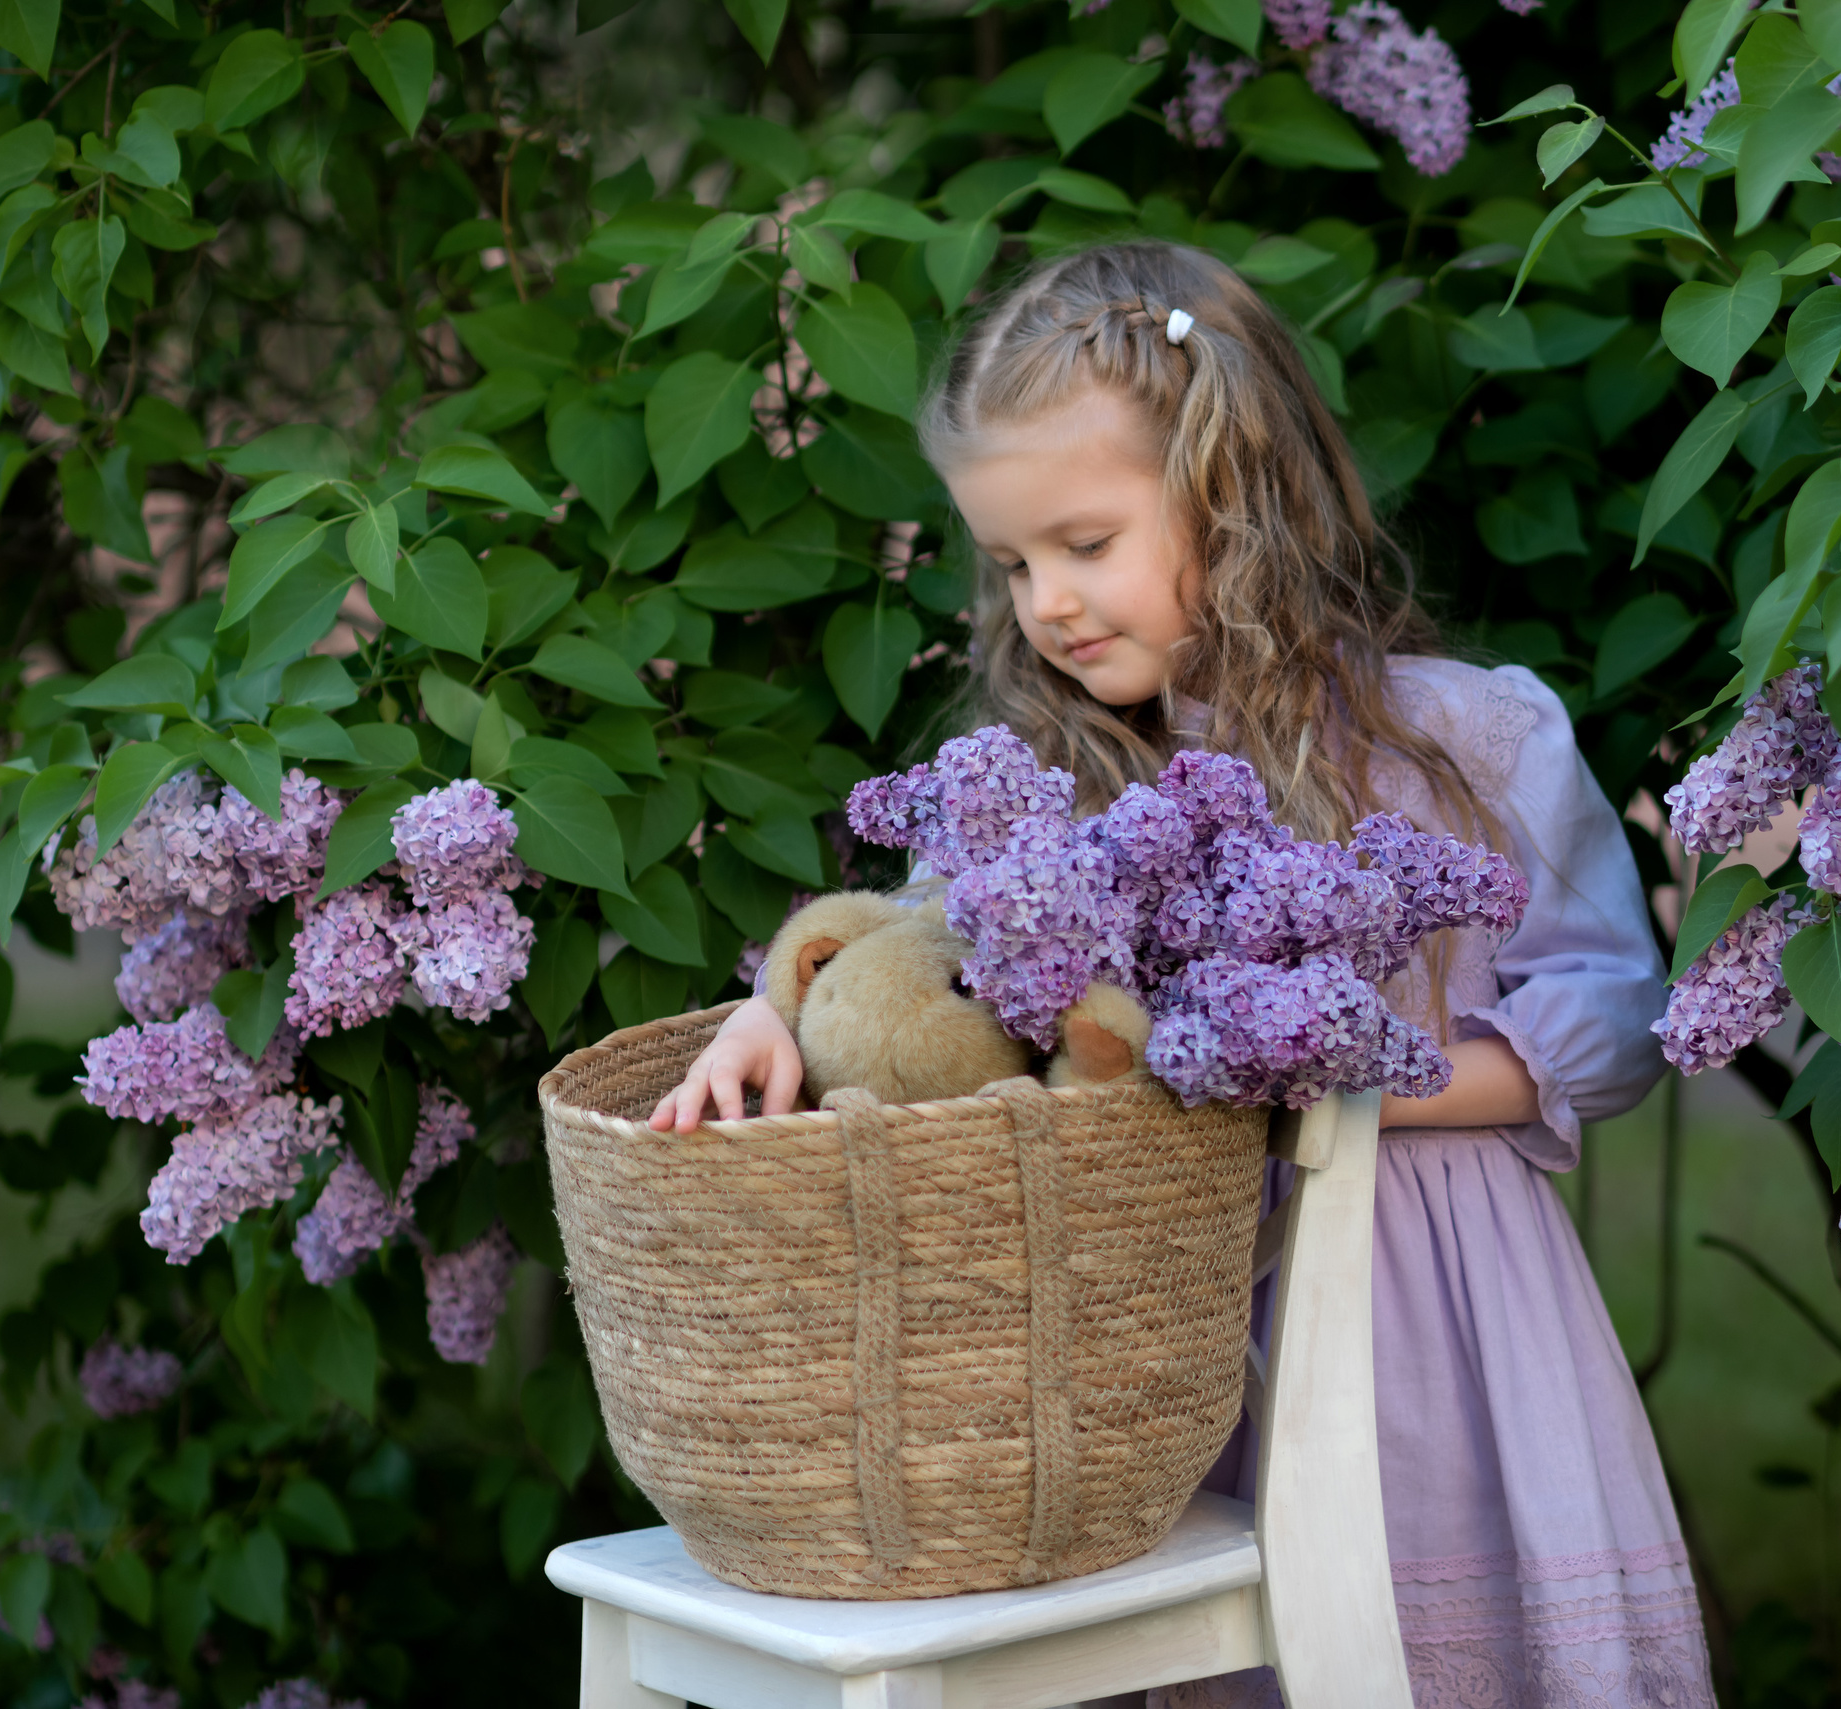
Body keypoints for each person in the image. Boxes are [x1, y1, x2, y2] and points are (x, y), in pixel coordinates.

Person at [649, 242, 1709, 1708]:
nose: (1048, 604)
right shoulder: (1064, 786)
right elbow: (917, 954)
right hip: (1165, 1315)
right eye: (1014, 562)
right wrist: (775, 1008)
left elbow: (1610, 1010)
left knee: (1421, 1637)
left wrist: (1353, 1087)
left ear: (1234, 490)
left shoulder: (1460, 745)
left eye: (1086, 544)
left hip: (1439, 1313)